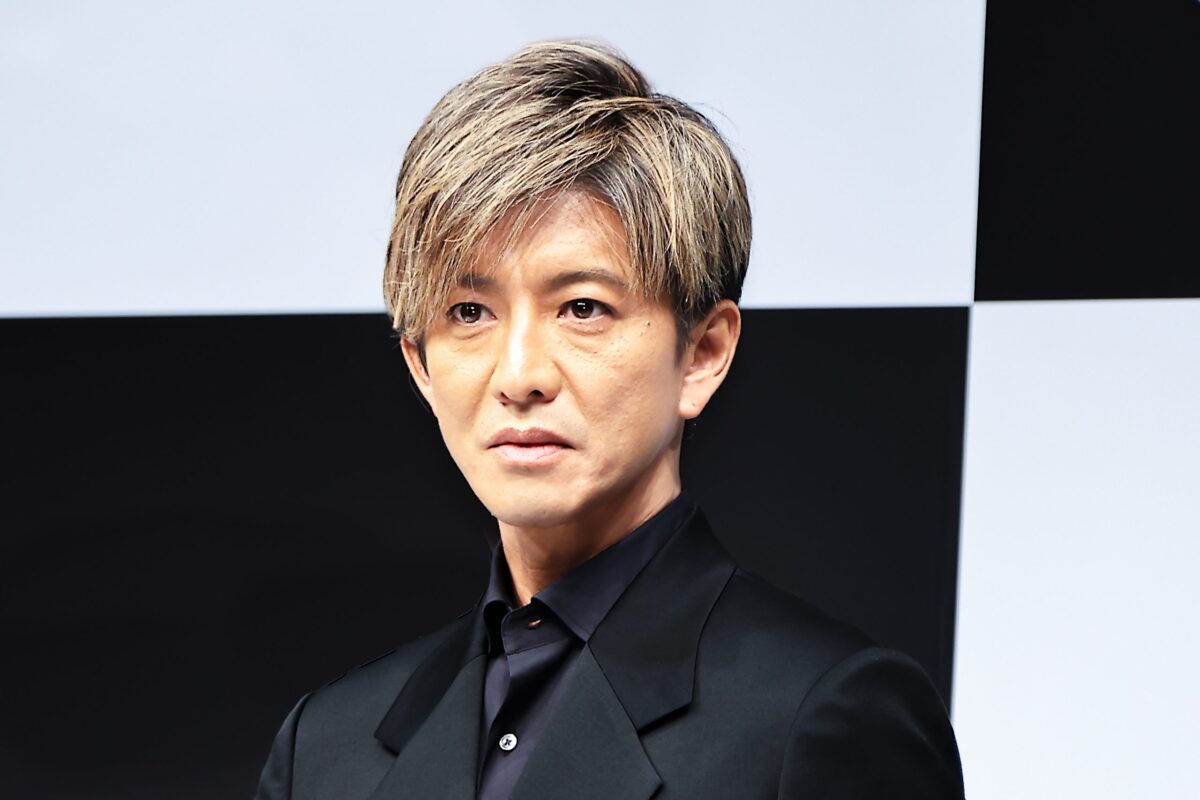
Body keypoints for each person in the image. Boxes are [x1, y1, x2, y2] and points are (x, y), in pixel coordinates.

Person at [254, 40, 964, 800]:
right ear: (419, 364)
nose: (519, 376)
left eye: (583, 308)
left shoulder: (822, 715)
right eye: (469, 312)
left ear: (703, 353)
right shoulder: (325, 748)